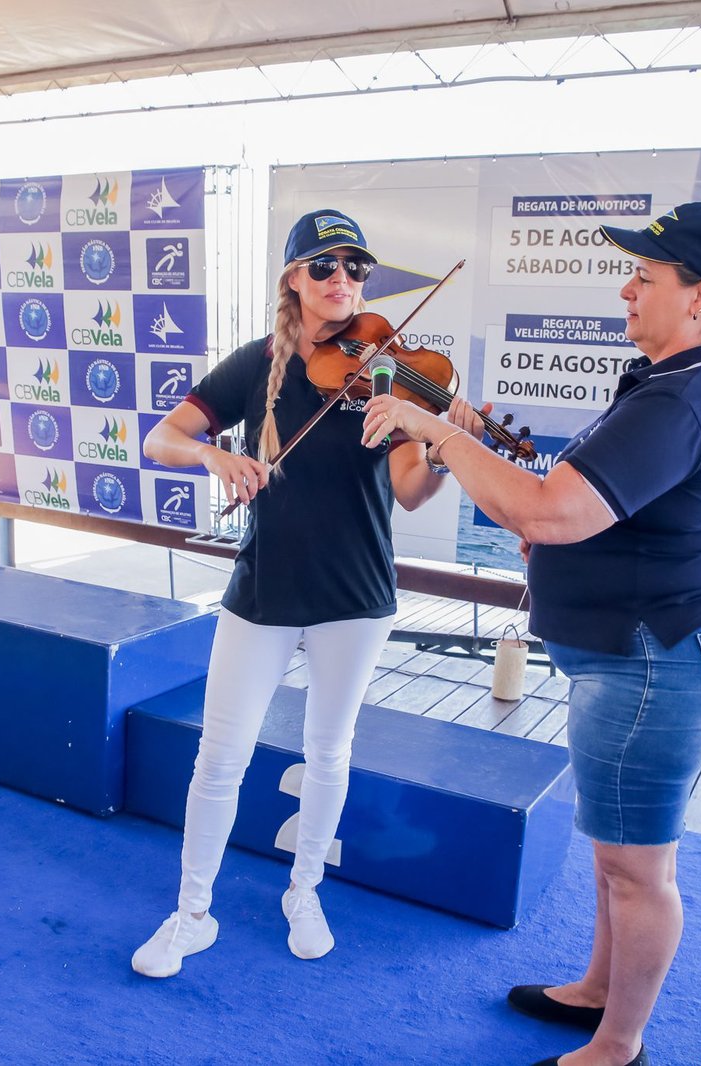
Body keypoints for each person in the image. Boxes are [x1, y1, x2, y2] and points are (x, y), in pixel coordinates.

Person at [365, 201, 701, 1066]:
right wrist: (561, 534)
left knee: (638, 871)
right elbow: (596, 512)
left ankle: (618, 1046)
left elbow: (548, 509)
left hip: (660, 664)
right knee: (618, 852)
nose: (626, 290)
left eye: (645, 276)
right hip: (654, 656)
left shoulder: (686, 396)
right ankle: (599, 991)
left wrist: (435, 429)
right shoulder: (680, 382)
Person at [130, 209, 479, 979]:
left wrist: (445, 445)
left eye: (355, 268)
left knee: (329, 751)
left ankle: (305, 891)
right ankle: (192, 914)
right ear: (293, 278)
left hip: (357, 593)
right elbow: (162, 437)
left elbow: (411, 490)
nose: (341, 280)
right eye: (324, 266)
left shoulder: (387, 370)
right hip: (264, 587)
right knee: (219, 756)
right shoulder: (258, 364)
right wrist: (213, 458)